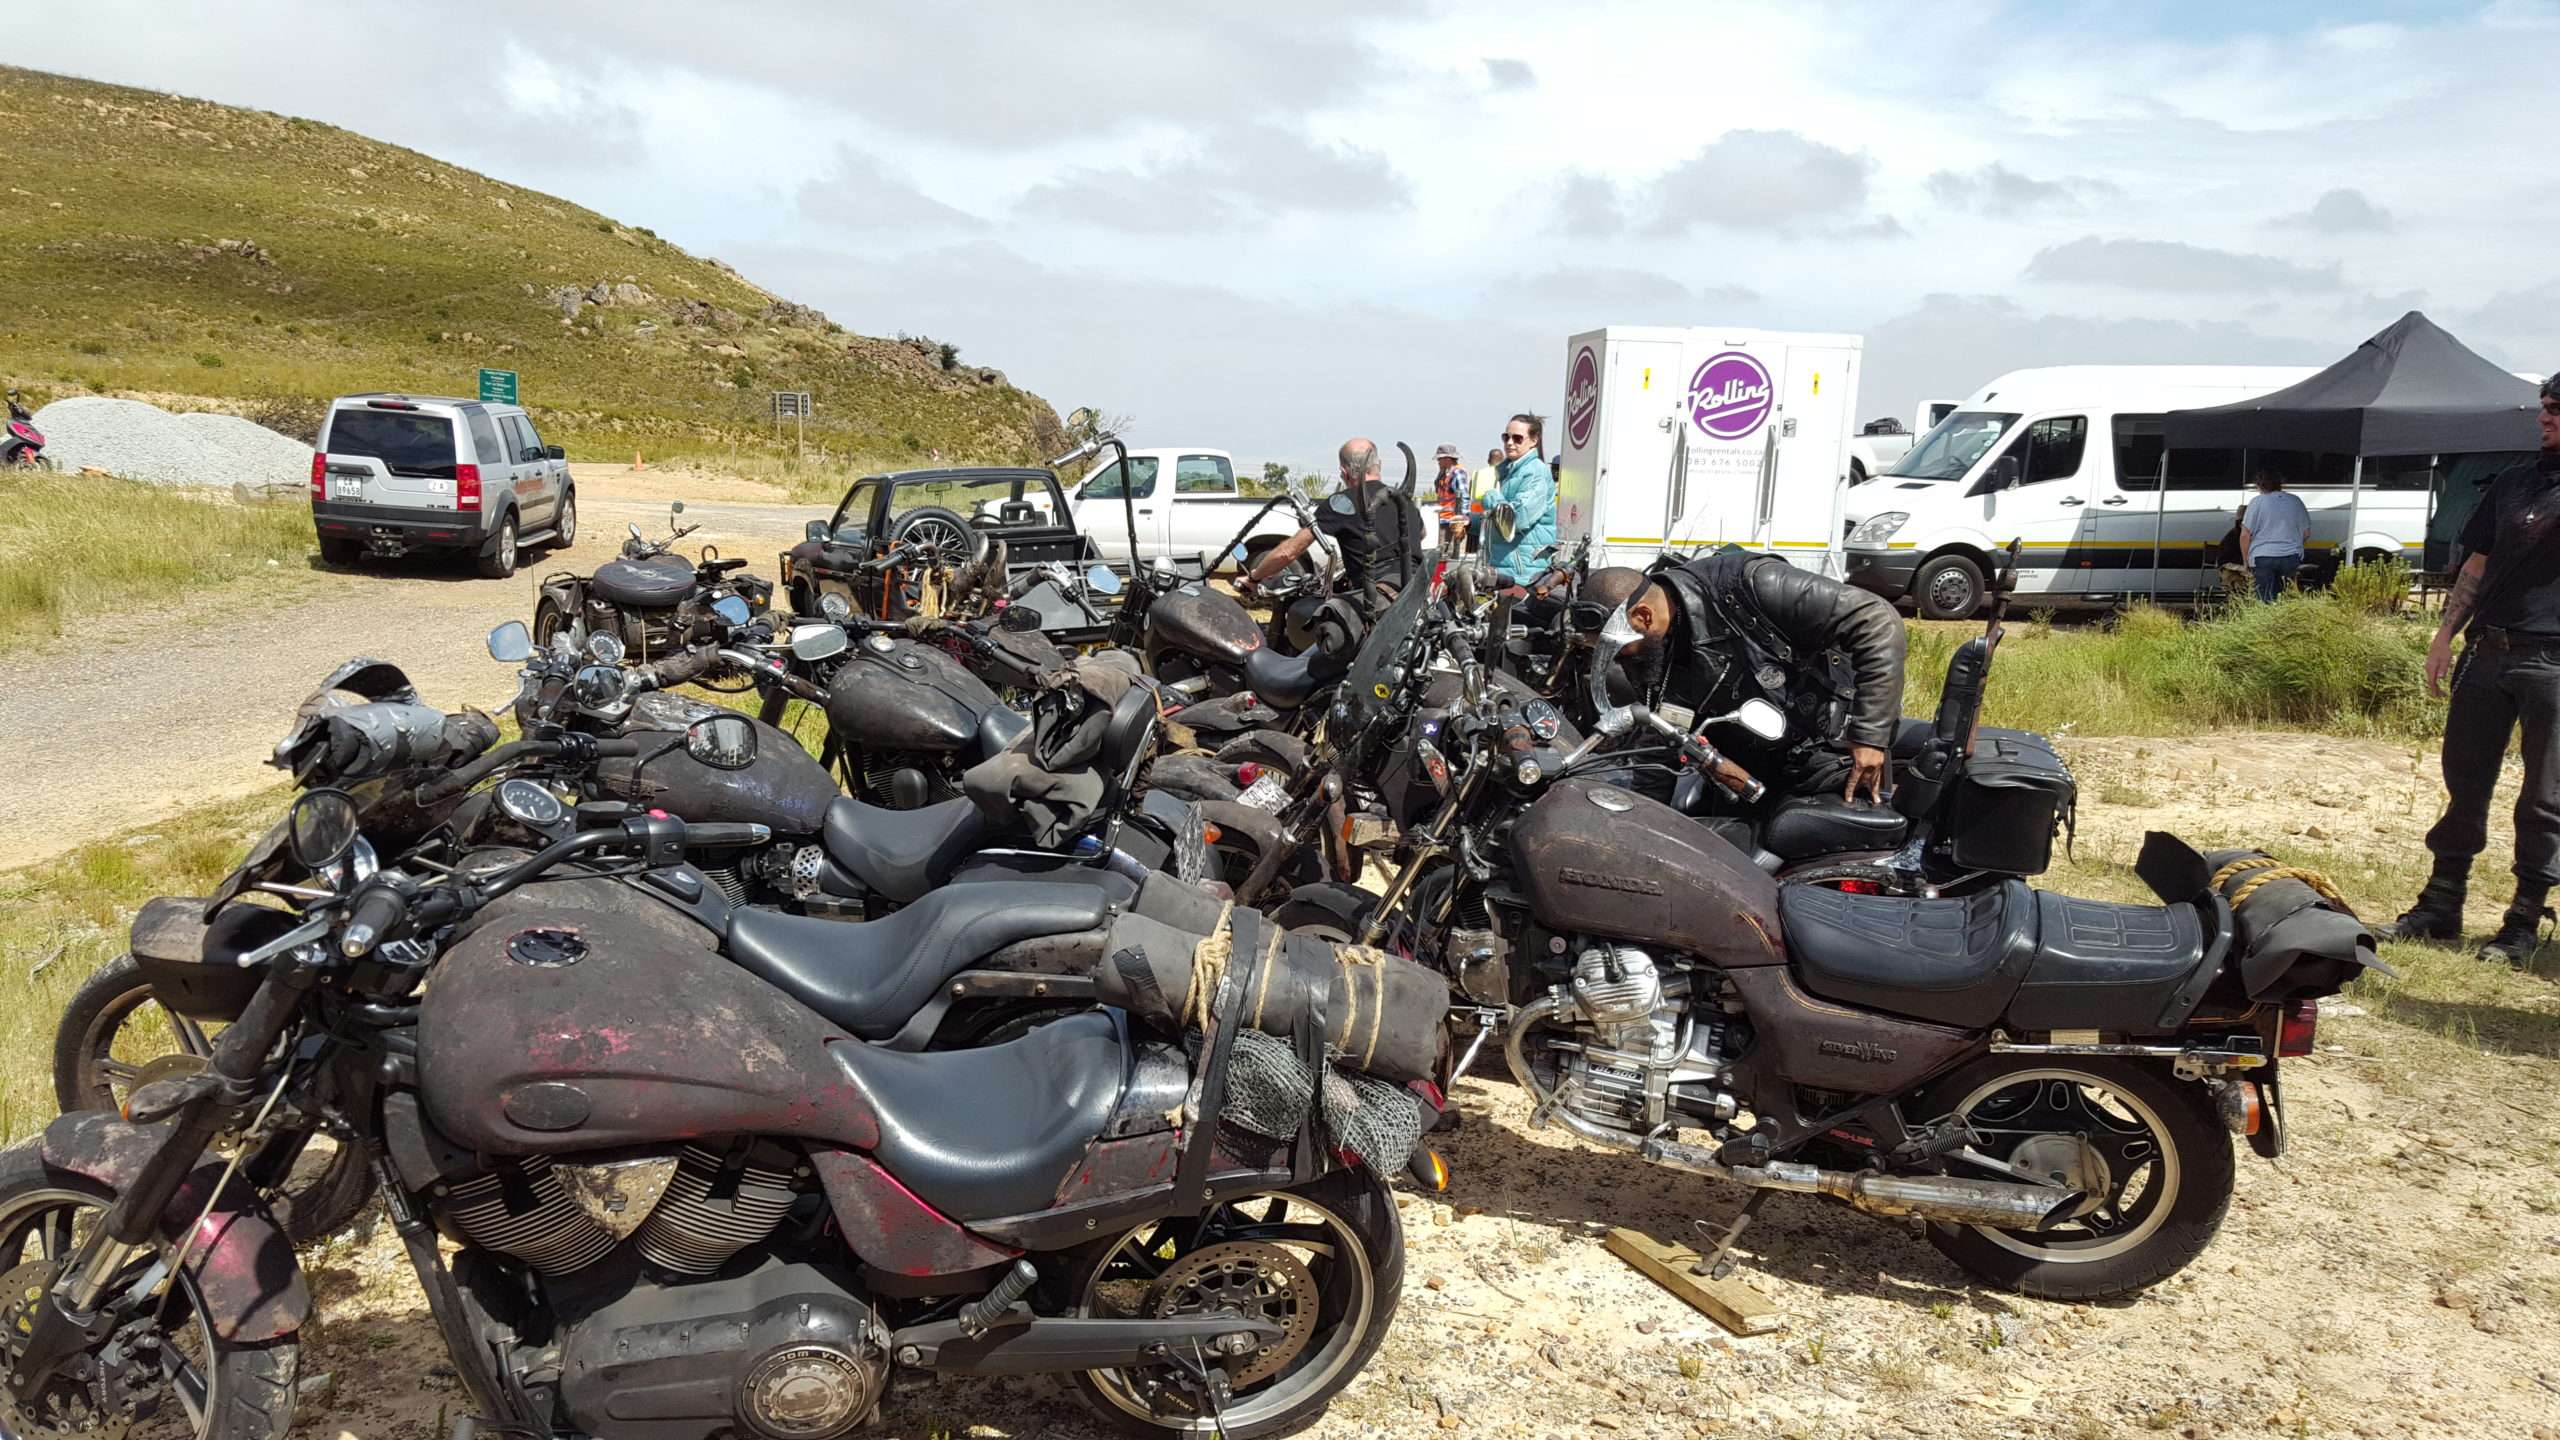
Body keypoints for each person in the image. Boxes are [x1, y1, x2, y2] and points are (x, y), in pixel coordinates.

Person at [2389, 372, 2560, 963]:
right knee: (2465, 783)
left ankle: (2522, 922)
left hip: (2553, 660)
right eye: (2544, 406)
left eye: (2556, 409)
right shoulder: (2514, 482)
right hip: (2487, 651)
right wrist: (2444, 635)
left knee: (2544, 799)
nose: (2544, 417)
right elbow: (2477, 564)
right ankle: (2441, 906)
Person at [1581, 551, 1906, 804]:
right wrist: (1642, 819)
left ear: (1643, 616)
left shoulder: (1747, 585)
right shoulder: (1654, 650)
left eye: (1622, 649)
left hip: (1831, 757)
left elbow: (1876, 620)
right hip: (1743, 775)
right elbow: (1661, 734)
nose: (1622, 660)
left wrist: (1869, 737)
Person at [1243, 435, 1423, 602]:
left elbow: (1288, 552)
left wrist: (1254, 577)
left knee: (1309, 612)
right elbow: (1421, 533)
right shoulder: (1403, 500)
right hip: (1418, 588)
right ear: (1379, 465)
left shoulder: (1342, 503)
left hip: (1376, 599)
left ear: (1344, 472)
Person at [1483, 413, 1558, 584]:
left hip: (1523, 574)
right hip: (1503, 566)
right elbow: (1498, 518)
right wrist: (1471, 522)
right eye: (1506, 437)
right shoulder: (1510, 471)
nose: (1509, 443)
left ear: (1534, 440)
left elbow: (1515, 519)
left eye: (1517, 438)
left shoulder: (1535, 472)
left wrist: (1491, 497)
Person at [2239, 466, 2310, 602]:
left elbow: (2245, 535)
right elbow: (2306, 533)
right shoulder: (2295, 501)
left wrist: (2245, 561)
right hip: (2290, 556)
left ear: (2259, 485)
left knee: (2264, 600)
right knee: (2287, 599)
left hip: (2262, 557)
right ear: (2280, 483)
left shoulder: (2257, 502)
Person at [1430, 444, 1469, 553]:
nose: (1438, 462)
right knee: (1440, 554)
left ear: (1447, 459)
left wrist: (1462, 520)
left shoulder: (1458, 473)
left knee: (1451, 554)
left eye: (1439, 459)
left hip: (1453, 522)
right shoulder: (1444, 474)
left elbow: (1464, 496)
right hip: (1442, 520)